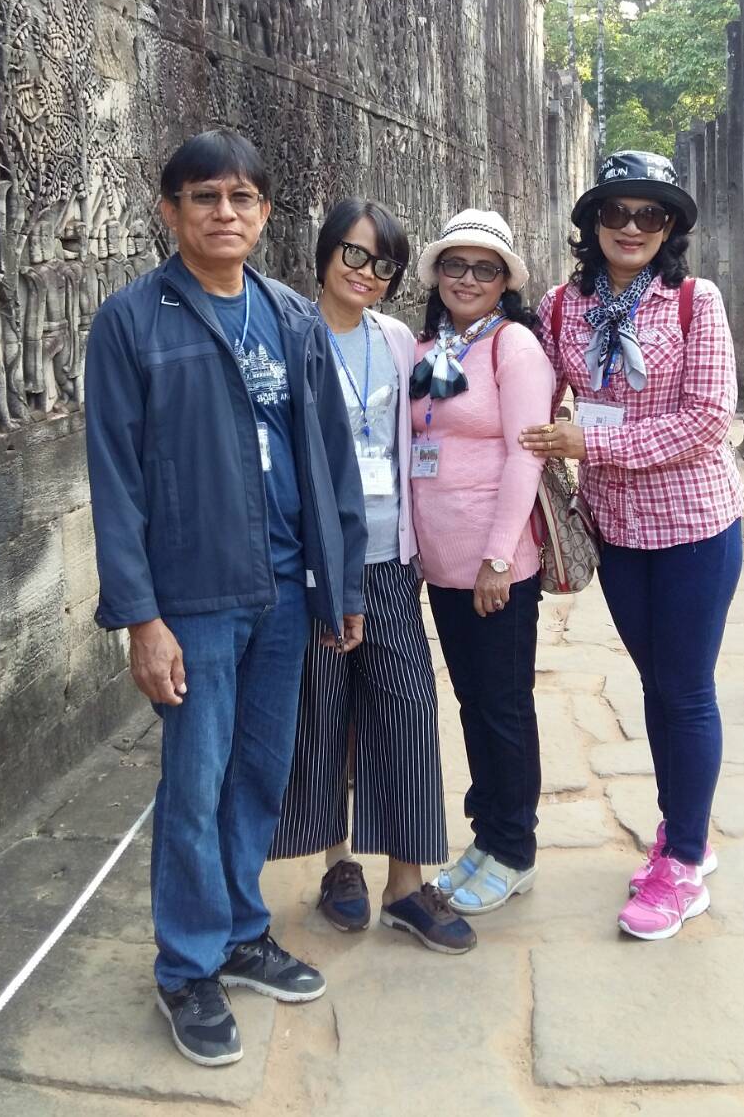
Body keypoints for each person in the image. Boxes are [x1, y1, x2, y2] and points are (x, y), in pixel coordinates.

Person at [84, 130, 368, 1068]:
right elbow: (115, 478)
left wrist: (342, 581)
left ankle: (242, 929)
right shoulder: (134, 321)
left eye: (242, 197)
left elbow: (331, 458)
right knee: (194, 784)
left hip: (285, 586)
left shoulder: (290, 317)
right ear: (170, 211)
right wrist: (141, 618)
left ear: (265, 213)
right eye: (204, 197)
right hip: (194, 596)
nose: (224, 213)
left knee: (258, 775)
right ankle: (187, 966)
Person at [520, 151, 744, 942]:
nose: (631, 226)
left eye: (650, 214)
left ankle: (682, 863)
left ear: (670, 226)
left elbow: (708, 420)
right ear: (592, 222)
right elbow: (527, 385)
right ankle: (684, 829)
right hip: (616, 529)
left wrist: (593, 442)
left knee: (685, 690)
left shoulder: (693, 302)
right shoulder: (561, 307)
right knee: (656, 684)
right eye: (616, 211)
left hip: (694, 527)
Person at [271, 199, 474, 954]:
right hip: (317, 562)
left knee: (407, 708)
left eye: (383, 263)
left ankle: (406, 884)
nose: (366, 273)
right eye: (354, 254)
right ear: (326, 252)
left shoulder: (394, 340)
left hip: (388, 554)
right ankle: (337, 865)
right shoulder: (290, 333)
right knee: (324, 711)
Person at [409, 209, 554, 916]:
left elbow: (528, 454)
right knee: (472, 702)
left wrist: (498, 556)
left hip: (496, 565)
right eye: (455, 265)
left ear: (504, 283)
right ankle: (486, 834)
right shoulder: (430, 348)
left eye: (484, 269)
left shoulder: (513, 347)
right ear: (437, 274)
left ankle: (514, 848)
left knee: (503, 706)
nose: (467, 279)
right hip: (441, 564)